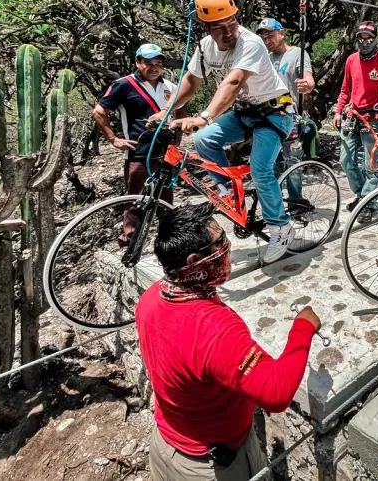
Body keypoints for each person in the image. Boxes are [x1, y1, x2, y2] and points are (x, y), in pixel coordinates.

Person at [137, 203, 320, 481]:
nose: (228, 245)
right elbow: (277, 393)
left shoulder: (152, 297)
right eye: (220, 241)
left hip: (165, 445)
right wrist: (303, 329)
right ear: (195, 261)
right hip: (211, 466)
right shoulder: (214, 329)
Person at [159, 0, 297, 264]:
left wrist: (204, 117)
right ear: (205, 27)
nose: (229, 31)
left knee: (260, 170)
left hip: (275, 113)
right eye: (219, 27)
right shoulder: (205, 47)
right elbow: (190, 82)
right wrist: (166, 110)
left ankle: (281, 227)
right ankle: (227, 192)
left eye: (232, 22)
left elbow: (233, 83)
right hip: (246, 113)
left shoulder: (251, 43)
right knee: (204, 140)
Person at [93, 43, 185, 242]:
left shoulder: (170, 87)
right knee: (136, 197)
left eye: (158, 63)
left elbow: (181, 110)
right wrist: (113, 138)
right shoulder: (123, 85)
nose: (154, 67)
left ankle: (167, 239)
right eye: (148, 63)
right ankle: (130, 239)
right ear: (137, 62)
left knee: (165, 197)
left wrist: (177, 139)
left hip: (167, 153)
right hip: (139, 152)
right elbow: (99, 111)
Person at [334, 22, 378, 220]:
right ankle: (361, 195)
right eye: (361, 38)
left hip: (374, 120)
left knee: (371, 166)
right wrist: (339, 111)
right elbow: (345, 89)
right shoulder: (351, 60)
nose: (365, 42)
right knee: (345, 160)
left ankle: (368, 202)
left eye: (369, 39)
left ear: (376, 39)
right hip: (354, 116)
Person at [257, 17, 314, 203]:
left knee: (292, 163)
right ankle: (275, 203)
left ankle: (296, 201)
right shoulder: (265, 58)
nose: (267, 41)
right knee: (270, 163)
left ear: (282, 34)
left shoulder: (298, 53)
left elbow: (308, 78)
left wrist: (308, 85)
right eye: (263, 38)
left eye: (270, 36)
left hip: (290, 117)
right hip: (268, 118)